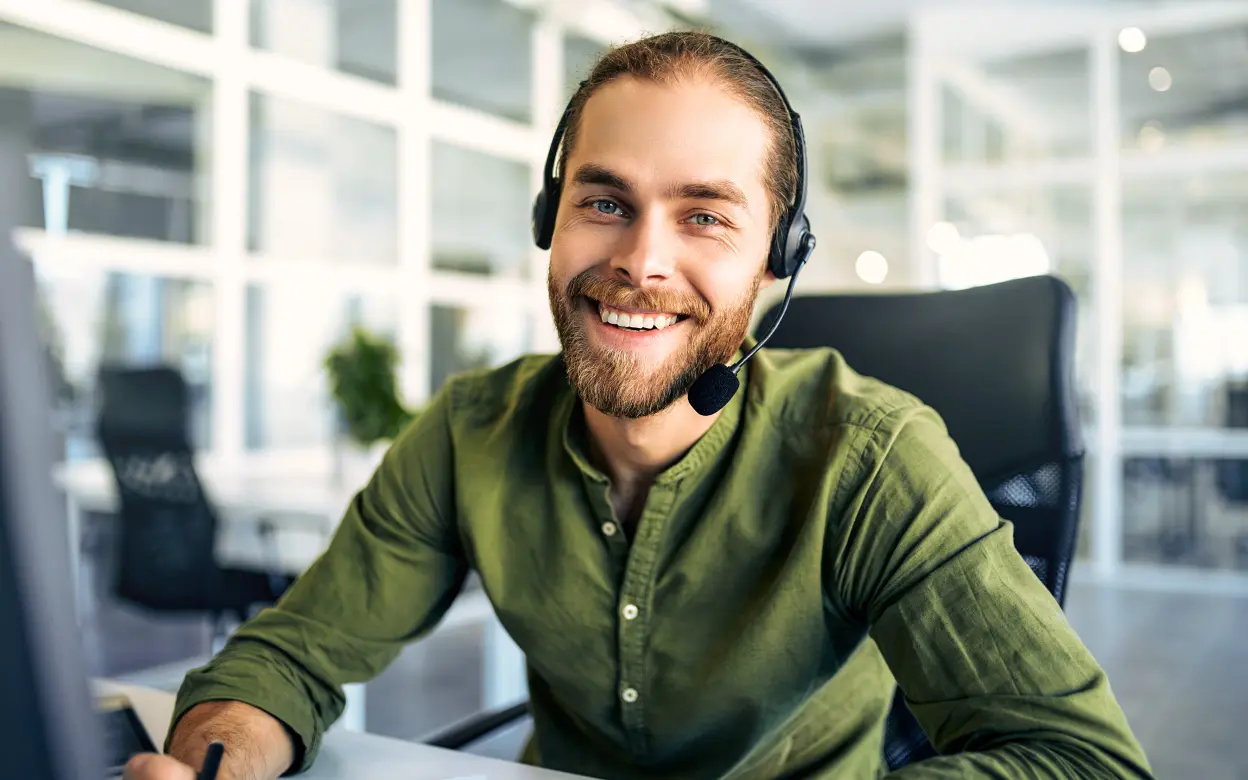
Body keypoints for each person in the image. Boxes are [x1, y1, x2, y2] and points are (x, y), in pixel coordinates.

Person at [125, 31, 1152, 780]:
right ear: (551, 218)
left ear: (775, 259)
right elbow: (292, 654)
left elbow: (1078, 759)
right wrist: (220, 756)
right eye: (604, 202)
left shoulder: (870, 455)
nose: (639, 263)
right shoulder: (470, 431)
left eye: (704, 215)